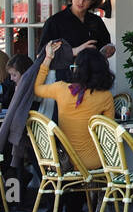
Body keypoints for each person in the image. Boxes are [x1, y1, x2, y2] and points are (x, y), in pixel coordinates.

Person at [33, 39, 113, 173]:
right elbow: (108, 133)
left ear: (77, 69)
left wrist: (48, 58)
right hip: (93, 161)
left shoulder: (61, 89)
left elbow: (37, 88)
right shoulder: (105, 97)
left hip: (64, 160)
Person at [38, 0, 115, 82]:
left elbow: (104, 45)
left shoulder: (96, 21)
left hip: (95, 80)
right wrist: (74, 51)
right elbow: (41, 56)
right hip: (66, 83)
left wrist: (108, 49)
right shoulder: (55, 22)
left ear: (93, 1)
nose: (81, 2)